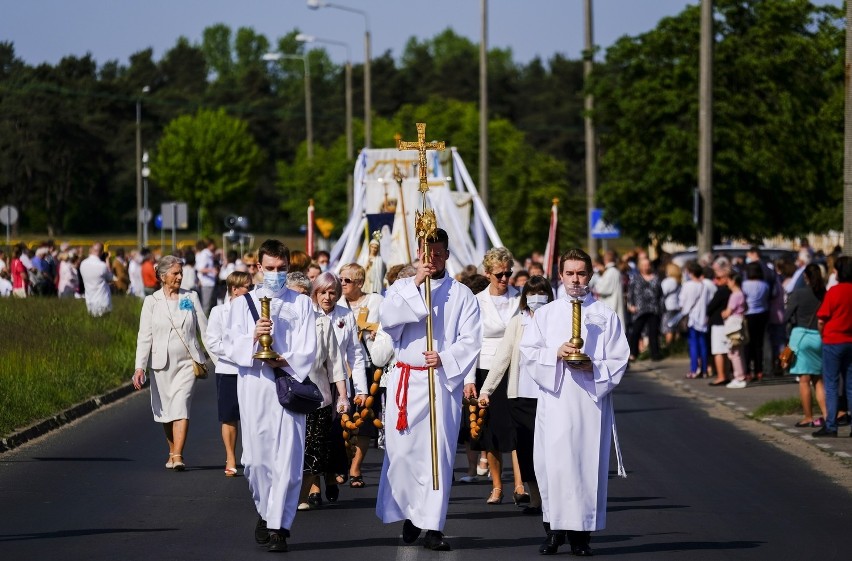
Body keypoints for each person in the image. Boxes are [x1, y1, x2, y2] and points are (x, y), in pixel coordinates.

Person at [519, 248, 629, 556]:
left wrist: (593, 366)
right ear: (560, 275)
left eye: (581, 273)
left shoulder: (605, 316)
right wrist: (555, 353)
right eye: (570, 273)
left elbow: (619, 358)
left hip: (589, 402)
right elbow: (529, 352)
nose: (575, 280)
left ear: (591, 275)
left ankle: (582, 536)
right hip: (555, 399)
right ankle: (554, 531)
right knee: (552, 465)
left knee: (584, 465)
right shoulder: (546, 314)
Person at [377, 228, 481, 551]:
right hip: (407, 381)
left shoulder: (462, 295)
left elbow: (471, 339)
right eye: (428, 253)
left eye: (439, 254)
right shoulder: (402, 288)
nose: (433, 259)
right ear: (420, 255)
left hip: (440, 380)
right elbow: (388, 321)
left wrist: (446, 357)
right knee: (404, 453)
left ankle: (434, 526)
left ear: (447, 255)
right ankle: (412, 515)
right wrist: (415, 286)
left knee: (439, 456)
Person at [222, 239, 317, 552]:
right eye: (270, 268)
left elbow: (309, 349)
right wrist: (253, 339)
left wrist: (283, 357)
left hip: (287, 385)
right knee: (257, 461)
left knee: (288, 461)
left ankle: (280, 527)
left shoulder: (301, 304)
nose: (276, 274)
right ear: (259, 268)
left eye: (281, 268)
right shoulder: (240, 305)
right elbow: (227, 346)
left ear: (288, 267)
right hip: (255, 387)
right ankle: (265, 511)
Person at [479, 275, 554, 515]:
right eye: (531, 294)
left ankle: (554, 499)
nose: (536, 299)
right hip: (521, 396)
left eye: (541, 293)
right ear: (525, 298)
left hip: (549, 395)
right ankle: (535, 498)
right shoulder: (517, 323)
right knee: (525, 448)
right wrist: (486, 390)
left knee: (550, 449)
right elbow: (502, 358)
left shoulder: (556, 321)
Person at [132, 255, 211, 471]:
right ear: (163, 276)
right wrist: (139, 367)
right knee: (166, 412)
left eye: (181, 273)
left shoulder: (190, 297)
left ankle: (178, 455)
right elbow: (144, 336)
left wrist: (218, 357)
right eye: (175, 273)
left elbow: (204, 330)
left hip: (187, 362)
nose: (179, 277)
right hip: (160, 365)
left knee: (181, 406)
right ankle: (171, 450)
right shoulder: (152, 301)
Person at [286, 271, 349, 511]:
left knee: (313, 451)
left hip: (318, 399)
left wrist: (342, 396)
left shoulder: (322, 323)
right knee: (291, 450)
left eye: (304, 295)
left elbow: (335, 364)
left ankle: (303, 496)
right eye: (295, 295)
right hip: (287, 397)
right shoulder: (281, 324)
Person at [313, 271, 368, 500]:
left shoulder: (346, 315)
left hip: (339, 384)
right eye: (322, 292)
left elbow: (355, 353)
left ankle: (330, 474)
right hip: (313, 382)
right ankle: (314, 485)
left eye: (332, 292)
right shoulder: (307, 314)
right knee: (313, 434)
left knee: (334, 433)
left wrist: (361, 389)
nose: (327, 297)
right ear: (315, 293)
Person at [473, 247, 521, 505]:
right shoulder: (477, 301)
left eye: (508, 274)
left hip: (515, 368)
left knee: (515, 428)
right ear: (488, 273)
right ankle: (496, 485)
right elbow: (471, 342)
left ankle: (520, 483)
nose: (504, 279)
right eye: (499, 275)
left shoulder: (519, 298)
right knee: (490, 431)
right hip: (486, 366)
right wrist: (469, 380)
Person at [338, 262, 383, 488]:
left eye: (347, 280)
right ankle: (342, 460)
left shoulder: (375, 302)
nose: (342, 284)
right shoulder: (336, 304)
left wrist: (378, 333)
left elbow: (387, 328)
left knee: (364, 419)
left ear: (359, 283)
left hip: (368, 365)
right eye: (341, 279)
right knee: (341, 418)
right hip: (340, 369)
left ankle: (356, 467)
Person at [205, 271, 253, 477]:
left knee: (251, 416)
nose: (251, 292)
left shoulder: (254, 310)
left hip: (250, 370)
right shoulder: (218, 312)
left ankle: (250, 457)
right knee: (229, 416)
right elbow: (213, 342)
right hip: (228, 369)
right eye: (248, 288)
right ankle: (231, 457)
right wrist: (237, 352)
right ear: (235, 289)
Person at [784, 263, 827, 427]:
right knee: (818, 380)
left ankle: (808, 416)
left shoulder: (798, 294)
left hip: (801, 337)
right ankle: (826, 414)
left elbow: (787, 315)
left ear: (805, 277)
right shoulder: (825, 294)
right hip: (820, 337)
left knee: (804, 379)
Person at [813, 256, 852, 437]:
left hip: (833, 340)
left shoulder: (834, 292)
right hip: (850, 341)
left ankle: (831, 425)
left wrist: (823, 334)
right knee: (850, 384)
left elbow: (822, 319)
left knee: (831, 384)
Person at [626, 255, 662, 362]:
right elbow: (630, 293)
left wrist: (661, 307)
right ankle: (633, 353)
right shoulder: (635, 278)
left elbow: (660, 293)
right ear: (640, 266)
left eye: (648, 265)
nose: (646, 267)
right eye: (644, 265)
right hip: (639, 308)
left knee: (653, 332)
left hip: (653, 308)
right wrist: (630, 305)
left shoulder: (656, 277)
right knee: (636, 331)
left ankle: (655, 353)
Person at [679, 261, 711, 378]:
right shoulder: (704, 286)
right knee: (703, 344)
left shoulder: (687, 285)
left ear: (691, 273)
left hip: (691, 318)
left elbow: (682, 302)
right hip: (702, 318)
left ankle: (694, 369)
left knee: (693, 344)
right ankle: (704, 369)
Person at [742, 261, 771, 382]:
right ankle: (759, 370)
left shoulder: (745, 285)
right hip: (762, 313)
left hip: (749, 314)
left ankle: (748, 370)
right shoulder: (765, 285)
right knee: (759, 344)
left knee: (748, 344)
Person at [707, 265, 733, 386]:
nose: (715, 280)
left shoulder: (722, 291)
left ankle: (721, 376)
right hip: (728, 323)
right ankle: (726, 374)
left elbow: (711, 307)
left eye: (718, 278)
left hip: (718, 323)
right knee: (727, 351)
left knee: (718, 351)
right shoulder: (733, 290)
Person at [721, 273, 749, 388]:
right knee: (738, 351)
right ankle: (740, 375)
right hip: (739, 322)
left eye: (729, 280)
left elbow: (728, 312)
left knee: (734, 352)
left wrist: (723, 314)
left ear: (733, 281)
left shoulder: (735, 295)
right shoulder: (742, 294)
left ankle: (739, 376)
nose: (727, 282)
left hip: (733, 324)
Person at [79, 243, 114, 317]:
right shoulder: (102, 266)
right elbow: (110, 278)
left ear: (91, 250)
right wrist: (107, 260)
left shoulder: (83, 264)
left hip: (90, 301)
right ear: (101, 252)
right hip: (103, 301)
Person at [594, 249, 626, 326]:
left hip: (611, 304)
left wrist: (597, 277)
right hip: (612, 302)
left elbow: (602, 289)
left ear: (605, 259)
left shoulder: (611, 272)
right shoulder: (615, 271)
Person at [195, 238, 218, 315]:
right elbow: (200, 268)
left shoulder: (207, 254)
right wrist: (211, 270)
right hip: (207, 283)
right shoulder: (205, 254)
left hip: (208, 282)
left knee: (207, 304)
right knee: (206, 305)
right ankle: (203, 323)